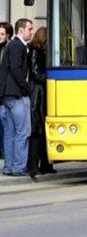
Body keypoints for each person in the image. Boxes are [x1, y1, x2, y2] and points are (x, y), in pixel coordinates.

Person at [0, 18, 33, 176]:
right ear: (21, 30)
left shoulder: (11, 45)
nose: (31, 32)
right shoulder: (17, 46)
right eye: (29, 29)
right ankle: (19, 166)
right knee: (23, 131)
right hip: (17, 95)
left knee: (10, 132)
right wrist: (26, 87)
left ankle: (9, 166)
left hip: (8, 95)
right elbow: (16, 68)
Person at [27, 27, 54, 176]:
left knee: (43, 131)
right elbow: (36, 72)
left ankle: (45, 165)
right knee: (37, 131)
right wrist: (49, 79)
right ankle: (35, 165)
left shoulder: (38, 51)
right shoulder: (35, 50)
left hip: (41, 92)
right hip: (38, 93)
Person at [0, 22, 14, 160]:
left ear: (8, 36)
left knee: (4, 123)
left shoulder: (8, 49)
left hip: (3, 93)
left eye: (2, 34)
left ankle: (5, 153)